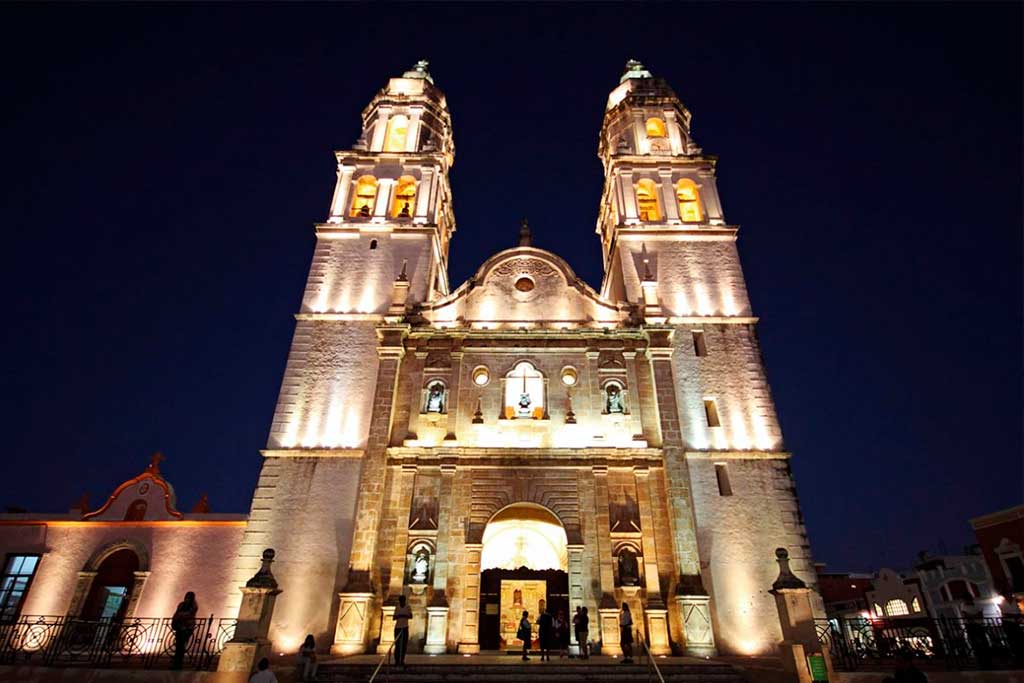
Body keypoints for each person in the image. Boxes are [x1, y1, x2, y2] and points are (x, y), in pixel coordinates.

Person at [170, 591, 198, 670]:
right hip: (179, 626)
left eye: (189, 597)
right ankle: (176, 663)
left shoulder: (193, 605)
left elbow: (190, 614)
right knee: (178, 645)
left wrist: (180, 615)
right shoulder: (182, 604)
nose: (187, 599)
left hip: (187, 627)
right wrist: (174, 621)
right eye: (187, 597)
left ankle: (179, 663)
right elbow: (176, 613)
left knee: (182, 645)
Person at [393, 594, 413, 668]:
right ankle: (397, 660)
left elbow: (411, 616)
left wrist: (403, 616)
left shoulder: (407, 607)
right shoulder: (397, 607)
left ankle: (402, 660)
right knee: (397, 645)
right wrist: (401, 616)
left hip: (405, 627)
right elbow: (394, 617)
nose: (402, 602)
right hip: (398, 627)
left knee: (404, 645)